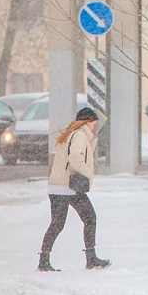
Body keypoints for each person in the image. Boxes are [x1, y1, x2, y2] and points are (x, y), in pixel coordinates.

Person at [38, 108, 110, 272]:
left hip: (57, 186)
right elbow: (76, 159)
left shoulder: (74, 134)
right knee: (90, 218)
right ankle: (91, 258)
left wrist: (93, 139)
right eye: (94, 124)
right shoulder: (79, 136)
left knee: (57, 224)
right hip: (69, 187)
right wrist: (89, 173)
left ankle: (44, 259)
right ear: (88, 122)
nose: (94, 127)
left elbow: (84, 153)